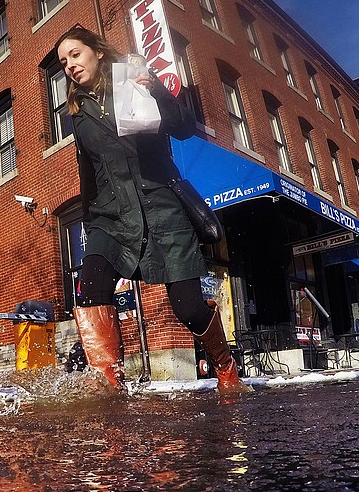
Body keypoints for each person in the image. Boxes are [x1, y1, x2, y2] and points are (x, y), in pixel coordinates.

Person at [55, 25, 249, 394]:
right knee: (92, 289)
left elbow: (182, 126)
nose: (70, 66)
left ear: (96, 51)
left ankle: (226, 369)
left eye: (75, 55)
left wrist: (154, 87)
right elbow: (89, 170)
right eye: (64, 62)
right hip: (110, 217)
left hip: (162, 208)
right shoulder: (77, 114)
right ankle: (110, 386)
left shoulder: (133, 82)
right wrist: (90, 218)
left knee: (188, 307)